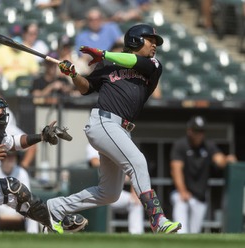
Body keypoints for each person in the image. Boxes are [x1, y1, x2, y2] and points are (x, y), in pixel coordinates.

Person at [49, 23, 182, 234]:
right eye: (151, 40)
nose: (154, 45)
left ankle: (56, 207)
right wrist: (73, 74)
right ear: (136, 40)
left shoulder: (153, 65)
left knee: (110, 193)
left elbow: (133, 61)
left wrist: (104, 54)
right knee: (138, 161)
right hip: (104, 122)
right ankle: (158, 219)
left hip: (122, 129)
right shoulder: (108, 66)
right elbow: (86, 88)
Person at [0, 96, 88, 233]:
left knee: (15, 190)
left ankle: (55, 224)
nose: (1, 115)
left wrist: (41, 137)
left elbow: (13, 143)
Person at [169, 115, 237, 233]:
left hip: (200, 197)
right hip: (182, 194)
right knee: (182, 230)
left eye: (201, 131)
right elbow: (176, 169)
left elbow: (219, 159)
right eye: (196, 131)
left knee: (194, 233)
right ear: (189, 131)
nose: (199, 134)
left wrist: (226, 159)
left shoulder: (208, 145)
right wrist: (183, 191)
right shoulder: (181, 145)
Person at [86, 143, 145, 234]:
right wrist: (115, 167)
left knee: (135, 202)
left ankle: (136, 235)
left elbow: (133, 171)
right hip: (96, 191)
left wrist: (134, 192)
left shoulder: (118, 144)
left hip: (115, 192)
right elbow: (94, 162)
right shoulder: (94, 143)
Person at [0, 151, 39, 233]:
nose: (11, 159)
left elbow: (27, 196)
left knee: (32, 205)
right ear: (3, 158)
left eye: (13, 156)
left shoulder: (21, 172)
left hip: (16, 205)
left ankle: (33, 236)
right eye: (9, 156)